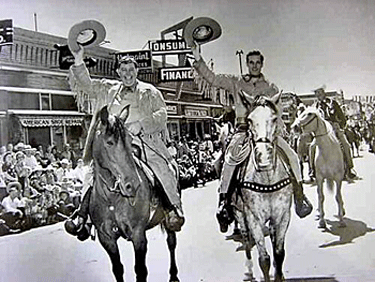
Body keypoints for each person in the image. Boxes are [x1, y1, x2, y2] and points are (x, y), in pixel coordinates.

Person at [65, 46, 184, 237]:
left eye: (131, 70)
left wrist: (142, 124)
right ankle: (83, 216)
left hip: (142, 141)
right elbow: (87, 85)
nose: (128, 74)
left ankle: (172, 209)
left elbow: (162, 114)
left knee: (161, 168)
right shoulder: (108, 89)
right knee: (93, 171)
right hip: (114, 143)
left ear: (137, 71)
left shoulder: (150, 91)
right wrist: (79, 61)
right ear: (118, 72)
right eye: (124, 70)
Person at [191, 44, 312, 232]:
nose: (254, 66)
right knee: (228, 162)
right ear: (247, 64)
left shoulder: (271, 88)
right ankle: (224, 202)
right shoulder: (235, 82)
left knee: (293, 157)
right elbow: (213, 79)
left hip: (266, 134)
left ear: (262, 64)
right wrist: (198, 60)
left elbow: (276, 113)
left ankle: (300, 197)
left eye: (257, 63)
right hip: (243, 130)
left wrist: (276, 131)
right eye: (251, 63)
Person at [312, 86, 357, 180]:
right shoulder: (315, 107)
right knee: (312, 147)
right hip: (321, 131)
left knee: (345, 144)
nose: (318, 95)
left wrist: (340, 126)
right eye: (316, 93)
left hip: (334, 128)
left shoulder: (333, 103)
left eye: (319, 92)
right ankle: (312, 170)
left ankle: (350, 168)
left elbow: (342, 117)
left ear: (324, 92)